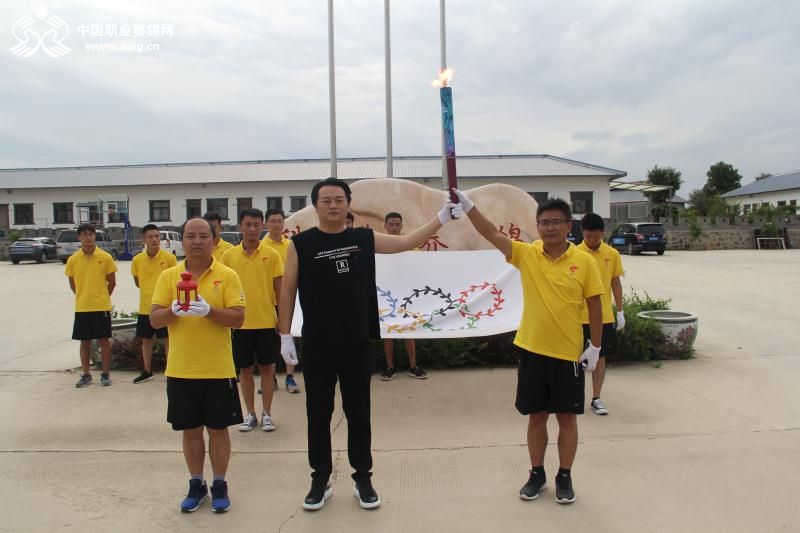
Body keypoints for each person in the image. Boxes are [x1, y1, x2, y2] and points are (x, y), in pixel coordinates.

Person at [278, 177, 458, 511]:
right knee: (318, 414)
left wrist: (442, 218)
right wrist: (285, 334)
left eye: (339, 200)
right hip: (318, 344)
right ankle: (320, 478)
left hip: (356, 341)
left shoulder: (363, 238)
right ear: (315, 206)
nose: (333, 205)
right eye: (326, 200)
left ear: (348, 204)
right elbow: (287, 290)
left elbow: (406, 241)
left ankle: (363, 477)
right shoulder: (301, 244)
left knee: (359, 414)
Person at [453, 189, 603, 505]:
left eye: (556, 222)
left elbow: (594, 305)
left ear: (569, 226)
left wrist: (596, 347)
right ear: (537, 226)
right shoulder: (527, 254)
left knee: (567, 419)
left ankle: (565, 476)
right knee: (536, 417)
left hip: (568, 354)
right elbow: (491, 233)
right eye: (544, 222)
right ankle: (537, 474)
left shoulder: (584, 262)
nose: (550, 227)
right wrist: (469, 207)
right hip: (532, 350)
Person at [150, 217, 246, 514]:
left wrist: (209, 311)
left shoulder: (227, 275)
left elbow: (238, 318)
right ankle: (196, 484)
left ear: (214, 240)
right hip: (181, 369)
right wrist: (173, 311)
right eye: (190, 236)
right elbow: (155, 319)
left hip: (218, 368)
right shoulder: (169, 276)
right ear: (182, 240)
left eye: (204, 236)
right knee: (190, 431)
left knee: (218, 429)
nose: (197, 241)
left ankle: (219, 484)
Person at [222, 208, 283, 432]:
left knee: (268, 370)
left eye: (257, 224)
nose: (252, 229)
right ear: (240, 226)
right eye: (248, 224)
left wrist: (282, 320)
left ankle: (267, 414)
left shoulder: (272, 255)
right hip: (240, 324)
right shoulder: (228, 256)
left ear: (262, 226)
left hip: (267, 323)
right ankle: (250, 413)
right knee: (245, 371)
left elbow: (280, 291)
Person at [577, 213, 625, 415]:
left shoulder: (612, 254)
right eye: (588, 236)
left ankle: (596, 398)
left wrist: (620, 311)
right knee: (575, 358)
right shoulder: (574, 253)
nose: (592, 240)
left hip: (603, 316)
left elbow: (616, 283)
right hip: (578, 317)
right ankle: (575, 397)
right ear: (582, 233)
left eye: (596, 237)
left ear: (602, 233)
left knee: (600, 357)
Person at [65, 223, 118, 388]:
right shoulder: (73, 260)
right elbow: (72, 283)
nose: (88, 237)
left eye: (91, 234)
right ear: (79, 237)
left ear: (95, 236)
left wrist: (101, 297)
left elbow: (112, 283)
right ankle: (86, 374)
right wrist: (83, 296)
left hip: (101, 307)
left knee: (104, 341)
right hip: (82, 307)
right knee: (84, 342)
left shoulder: (106, 257)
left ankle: (105, 374)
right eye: (84, 234)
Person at [380, 212, 427, 381]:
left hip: (407, 295)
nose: (394, 227)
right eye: (391, 224)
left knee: (409, 330)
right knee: (388, 332)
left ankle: (413, 367)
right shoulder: (378, 247)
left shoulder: (411, 247)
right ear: (385, 226)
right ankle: (389, 368)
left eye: (397, 224)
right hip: (386, 295)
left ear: (401, 226)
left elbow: (418, 269)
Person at [131, 224, 177, 383]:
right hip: (146, 308)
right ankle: (147, 370)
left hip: (165, 308)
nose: (155, 240)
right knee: (146, 340)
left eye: (157, 236)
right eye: (150, 237)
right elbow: (137, 282)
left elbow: (175, 281)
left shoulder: (169, 258)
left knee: (168, 339)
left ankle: (171, 371)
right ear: (143, 240)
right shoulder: (137, 260)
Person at [261, 208, 300, 393]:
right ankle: (272, 378)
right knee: (271, 341)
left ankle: (290, 377)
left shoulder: (291, 245)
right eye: (273, 221)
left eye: (279, 221)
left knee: (288, 335)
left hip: (289, 299)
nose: (276, 224)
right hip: (269, 301)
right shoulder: (261, 247)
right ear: (266, 223)